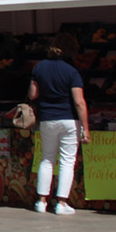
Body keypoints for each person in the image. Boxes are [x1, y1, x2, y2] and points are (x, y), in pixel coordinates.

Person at [28, 32, 89, 215]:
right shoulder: (72, 71)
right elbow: (79, 102)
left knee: (46, 159)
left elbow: (33, 94)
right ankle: (61, 203)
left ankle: (41, 201)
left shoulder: (39, 67)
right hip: (69, 119)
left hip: (47, 119)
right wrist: (86, 128)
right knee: (67, 161)